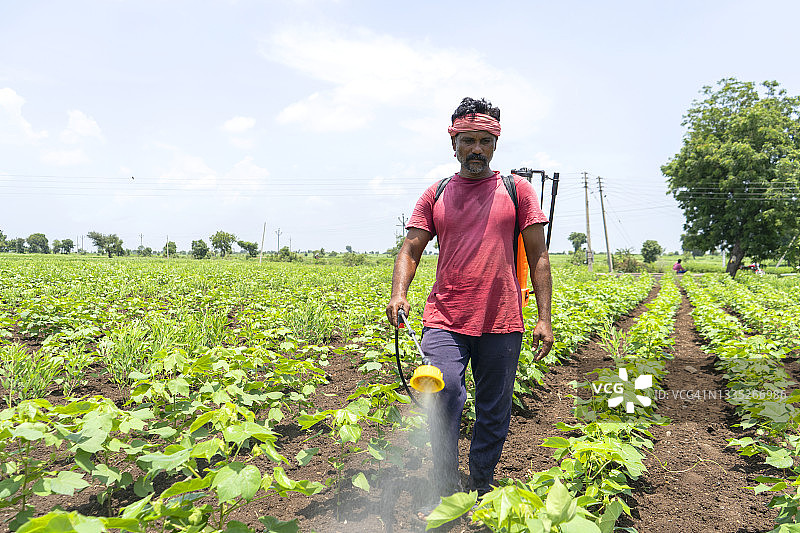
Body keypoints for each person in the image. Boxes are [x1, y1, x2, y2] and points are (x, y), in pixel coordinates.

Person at [385, 97, 554, 513]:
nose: (476, 148)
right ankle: (444, 487)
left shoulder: (518, 191)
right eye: (467, 141)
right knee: (443, 394)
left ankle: (480, 484)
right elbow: (411, 248)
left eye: (484, 141)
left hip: (503, 319)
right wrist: (399, 292)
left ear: (494, 144)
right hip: (445, 316)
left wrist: (544, 318)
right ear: (454, 144)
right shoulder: (437, 193)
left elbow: (539, 257)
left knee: (494, 411)